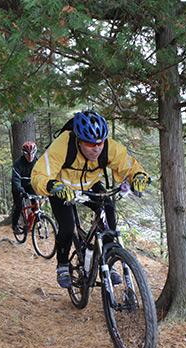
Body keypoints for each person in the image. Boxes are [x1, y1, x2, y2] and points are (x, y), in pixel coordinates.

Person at [31, 110, 150, 288]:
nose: (96, 149)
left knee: (108, 209)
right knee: (68, 226)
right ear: (79, 140)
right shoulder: (64, 144)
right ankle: (63, 264)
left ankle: (108, 261)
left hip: (89, 186)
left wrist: (139, 175)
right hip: (62, 187)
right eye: (89, 143)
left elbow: (128, 164)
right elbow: (39, 173)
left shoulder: (107, 147)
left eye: (100, 143)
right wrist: (52, 186)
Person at [11, 141, 39, 233]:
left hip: (29, 184)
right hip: (18, 186)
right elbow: (16, 179)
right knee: (19, 206)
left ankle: (35, 222)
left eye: (32, 154)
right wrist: (21, 190)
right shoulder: (18, 163)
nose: (30, 157)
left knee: (35, 202)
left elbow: (42, 175)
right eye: (27, 154)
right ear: (23, 153)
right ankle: (14, 225)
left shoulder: (37, 162)